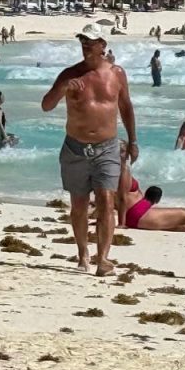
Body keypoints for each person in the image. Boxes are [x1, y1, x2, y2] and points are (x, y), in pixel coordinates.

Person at [41, 24, 137, 276]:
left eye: (91, 41)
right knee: (79, 205)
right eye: (82, 40)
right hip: (75, 148)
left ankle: (103, 258)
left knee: (107, 200)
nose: (85, 45)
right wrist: (63, 89)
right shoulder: (70, 75)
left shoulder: (117, 74)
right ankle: (83, 251)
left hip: (107, 148)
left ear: (102, 45)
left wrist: (133, 140)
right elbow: (46, 106)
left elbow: (126, 107)